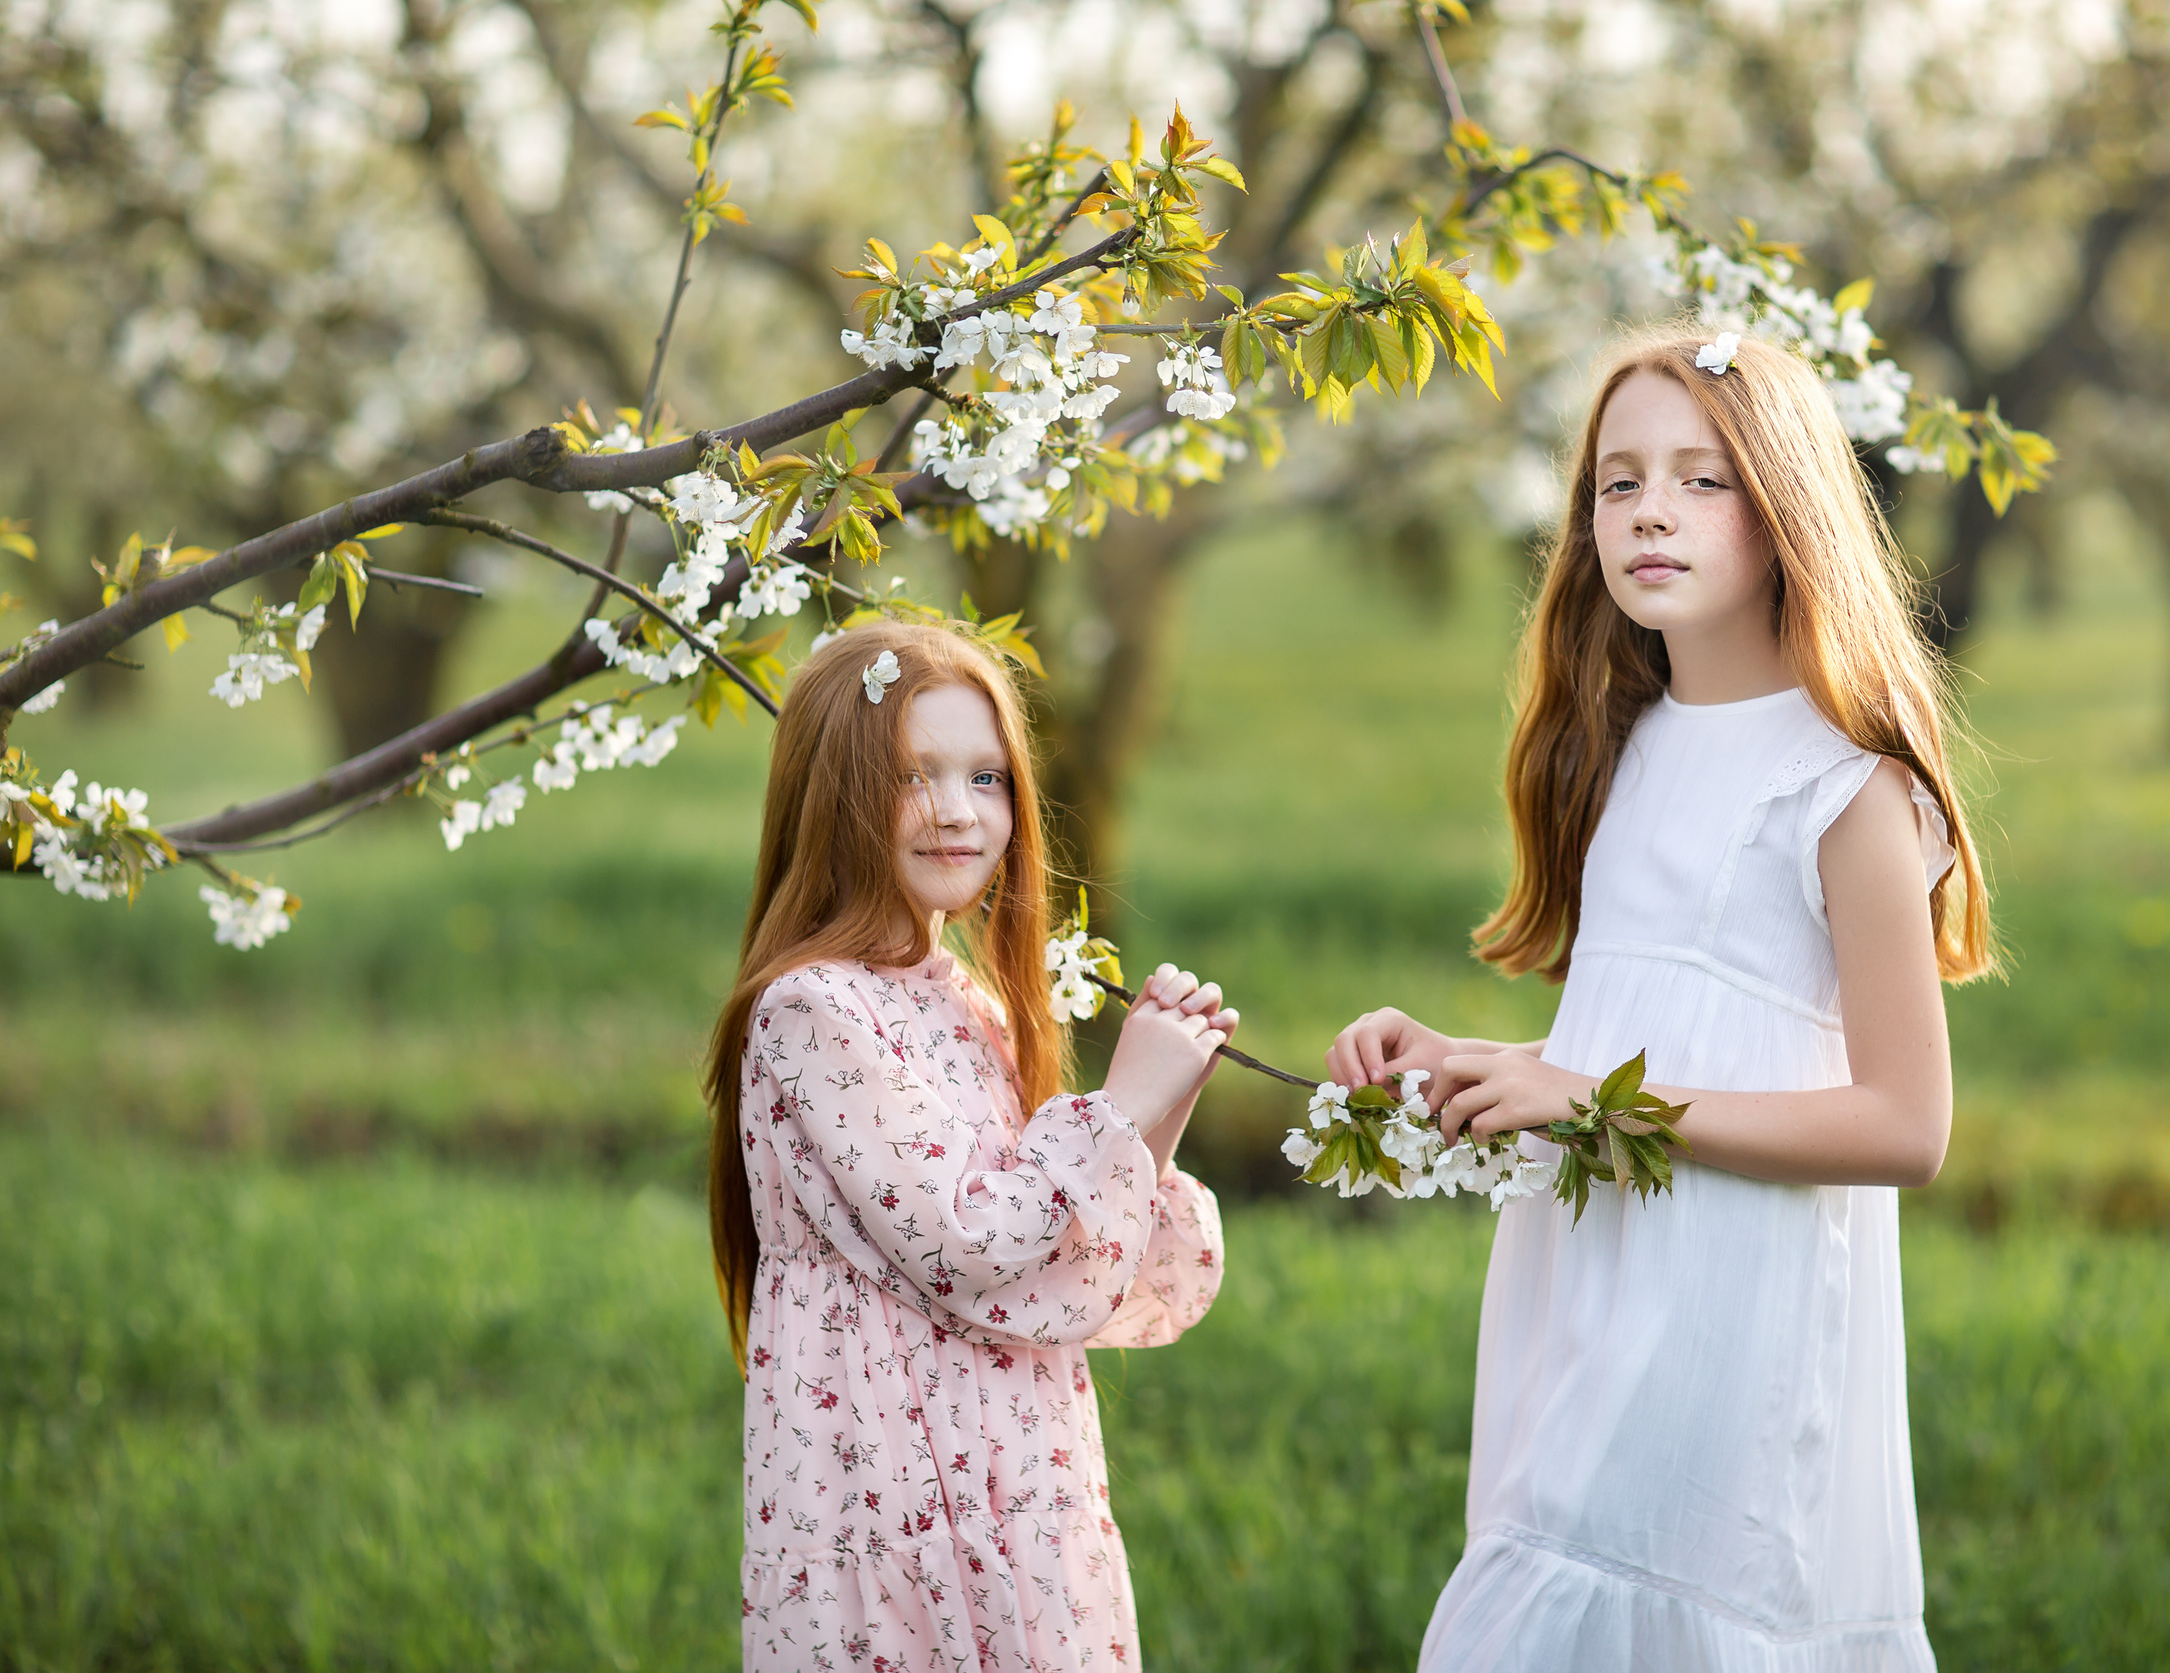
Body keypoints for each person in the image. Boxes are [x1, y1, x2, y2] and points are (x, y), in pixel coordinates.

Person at [1327, 331, 1995, 1670]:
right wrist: (1484, 1064)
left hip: (1728, 1301)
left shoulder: (1844, 785)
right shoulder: (1626, 750)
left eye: (1702, 479)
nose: (1649, 512)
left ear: (1784, 504)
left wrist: (1583, 1097)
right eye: (1618, 483)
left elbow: (1905, 1125)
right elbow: (1655, 1040)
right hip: (1596, 1270)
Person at [704, 619, 1234, 1672]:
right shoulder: (813, 1011)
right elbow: (971, 1243)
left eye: (985, 777)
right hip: (889, 1496)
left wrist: (1157, 1113)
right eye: (912, 776)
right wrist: (1118, 1105)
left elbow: (1058, 1269)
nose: (956, 810)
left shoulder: (970, 1005)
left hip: (1015, 1487)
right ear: (835, 794)